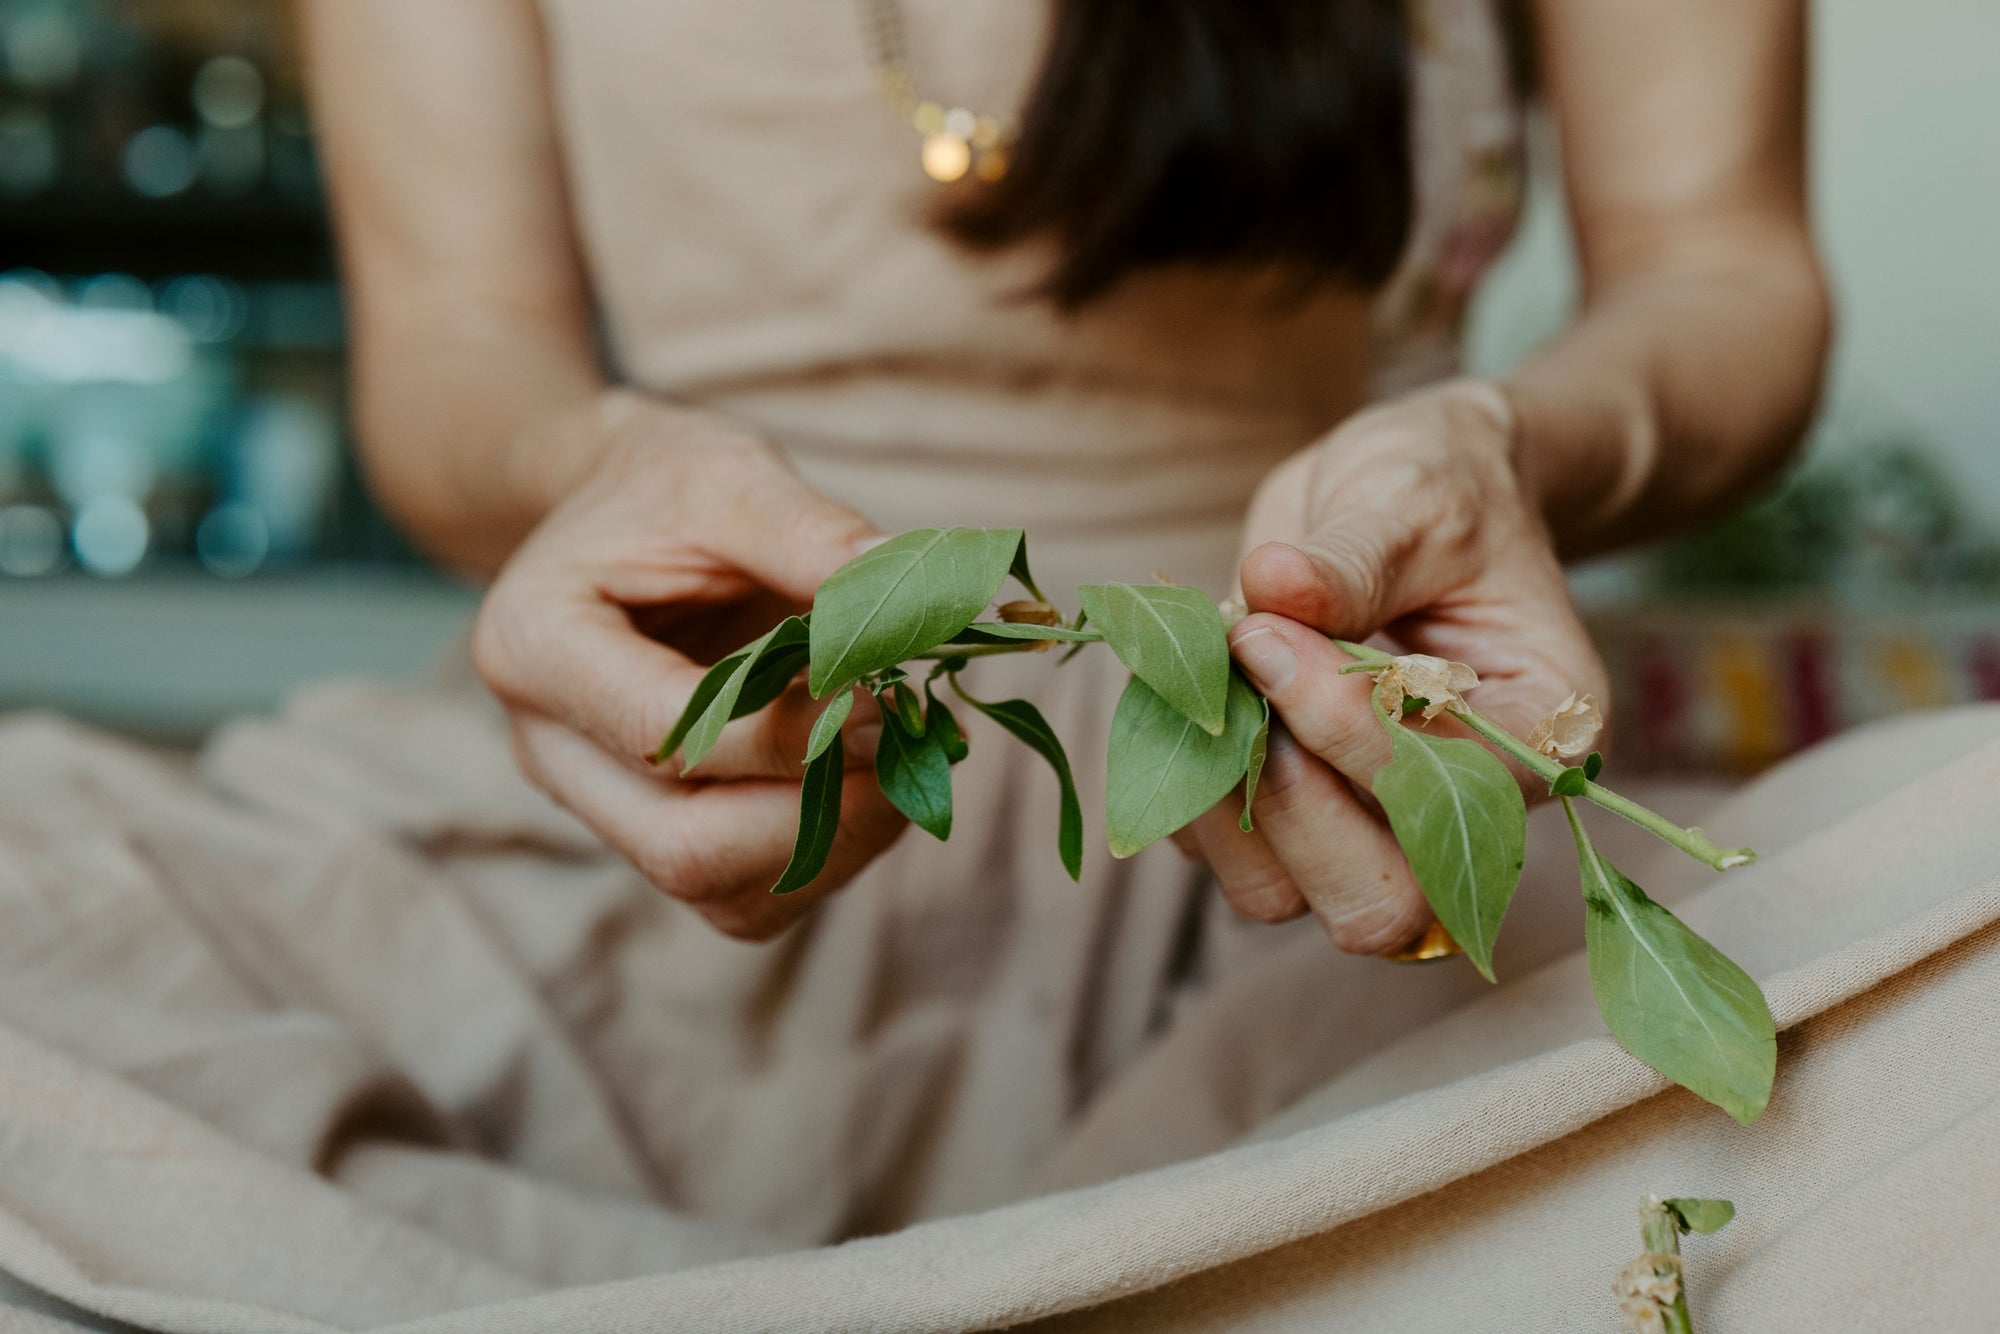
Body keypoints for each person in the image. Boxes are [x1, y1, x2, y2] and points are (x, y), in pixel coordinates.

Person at [291, 0, 1824, 1225]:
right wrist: (584, 467)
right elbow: (452, 348)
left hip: (1336, 769)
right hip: (698, 799)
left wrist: (1504, 441)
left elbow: (1722, 271)